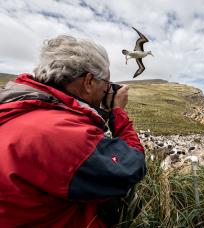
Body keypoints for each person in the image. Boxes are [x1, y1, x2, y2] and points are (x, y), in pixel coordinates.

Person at [0, 35, 146, 227]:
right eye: (106, 84)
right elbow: (132, 166)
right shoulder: (63, 134)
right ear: (88, 81)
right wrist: (118, 112)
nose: (107, 91)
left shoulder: (17, 109)